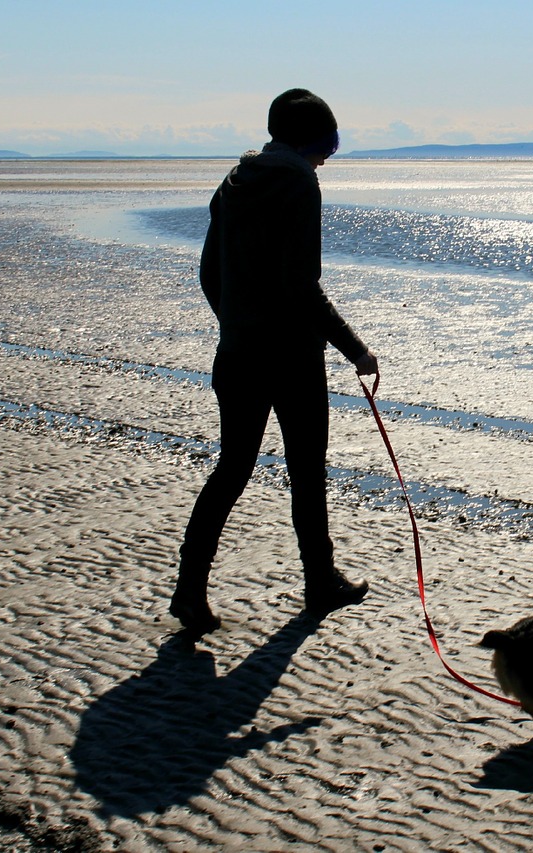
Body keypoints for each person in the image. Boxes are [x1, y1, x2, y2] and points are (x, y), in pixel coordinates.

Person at [172, 88, 379, 640]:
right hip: (289, 358)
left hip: (237, 354)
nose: (329, 156)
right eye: (328, 144)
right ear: (313, 140)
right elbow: (301, 285)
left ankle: (189, 588)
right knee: (306, 473)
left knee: (232, 469)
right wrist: (355, 349)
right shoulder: (298, 182)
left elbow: (209, 275)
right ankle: (319, 582)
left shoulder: (234, 181)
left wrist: (237, 326)